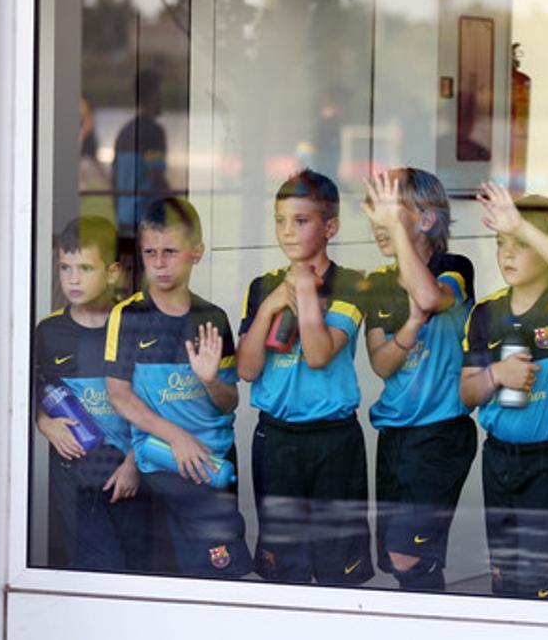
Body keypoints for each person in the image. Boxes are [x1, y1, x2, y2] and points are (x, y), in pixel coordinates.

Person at [236, 169, 374, 585]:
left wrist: (304, 292)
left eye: (301, 221)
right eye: (280, 221)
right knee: (283, 564)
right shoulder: (262, 287)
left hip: (334, 440)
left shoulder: (352, 284)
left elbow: (317, 354)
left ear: (329, 227)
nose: (287, 232)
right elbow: (246, 369)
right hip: (277, 439)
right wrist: (269, 307)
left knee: (340, 564)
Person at [460, 184, 548, 600]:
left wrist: (521, 223)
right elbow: (468, 394)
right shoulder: (485, 313)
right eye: (501, 243)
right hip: (500, 459)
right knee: (505, 577)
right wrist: (496, 375)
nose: (507, 254)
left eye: (521, 244)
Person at [105, 198, 251, 578]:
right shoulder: (128, 316)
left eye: (170, 251)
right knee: (184, 570)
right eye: (150, 252)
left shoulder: (213, 318)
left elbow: (228, 402)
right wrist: (176, 438)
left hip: (213, 463)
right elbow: (119, 395)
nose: (158, 262)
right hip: (165, 463)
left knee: (220, 572)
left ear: (196, 252)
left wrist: (210, 379)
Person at [360, 169, 477, 591]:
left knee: (407, 554)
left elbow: (429, 297)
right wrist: (408, 331)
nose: (380, 224)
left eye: (392, 211)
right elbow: (382, 364)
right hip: (395, 435)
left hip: (440, 434)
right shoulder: (376, 284)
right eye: (377, 213)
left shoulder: (454, 269)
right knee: (400, 560)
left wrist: (398, 231)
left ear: (426, 220)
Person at [34, 215, 150, 571]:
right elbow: (33, 391)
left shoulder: (135, 326)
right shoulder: (49, 332)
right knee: (98, 566)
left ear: (114, 272)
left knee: (137, 569)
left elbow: (156, 402)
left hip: (130, 472)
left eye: (85, 268)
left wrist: (133, 463)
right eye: (65, 267)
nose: (72, 278)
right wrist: (45, 424)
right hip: (74, 477)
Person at [111, 69, 169, 237]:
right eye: (160, 92)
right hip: (147, 221)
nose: (163, 99)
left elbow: (113, 181)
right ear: (152, 95)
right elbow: (156, 177)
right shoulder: (153, 132)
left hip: (124, 221)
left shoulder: (124, 132)